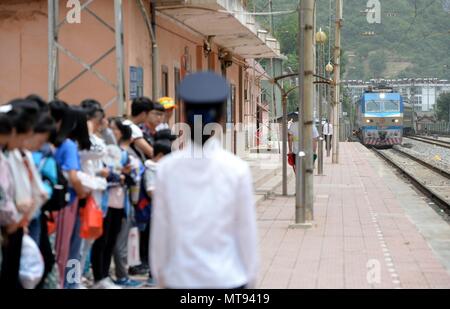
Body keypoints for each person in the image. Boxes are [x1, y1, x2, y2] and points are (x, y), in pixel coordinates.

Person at [150, 72, 259, 289]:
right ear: (221, 119)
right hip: (228, 279)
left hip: (179, 279)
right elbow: (246, 232)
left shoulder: (166, 169)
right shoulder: (237, 170)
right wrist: (251, 277)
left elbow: (161, 231)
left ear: (183, 118)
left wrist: (161, 275)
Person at [91, 118, 137, 289]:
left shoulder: (123, 153)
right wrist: (119, 176)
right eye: (109, 129)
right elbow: (106, 174)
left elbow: (131, 176)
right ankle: (98, 276)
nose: (111, 133)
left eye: (114, 130)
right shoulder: (101, 150)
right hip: (104, 202)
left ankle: (104, 276)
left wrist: (123, 176)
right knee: (101, 241)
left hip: (119, 203)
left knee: (110, 241)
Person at [50, 102, 90, 289]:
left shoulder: (53, 143)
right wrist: (82, 191)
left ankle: (70, 283)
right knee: (68, 249)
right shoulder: (68, 145)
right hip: (70, 201)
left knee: (70, 249)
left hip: (66, 201)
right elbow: (73, 175)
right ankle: (67, 284)